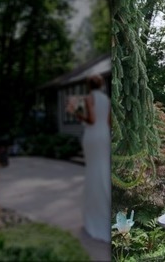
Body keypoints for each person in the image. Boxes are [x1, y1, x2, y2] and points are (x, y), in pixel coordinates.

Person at [76, 74, 111, 243]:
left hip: (92, 136)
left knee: (93, 170)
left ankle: (95, 214)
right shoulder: (107, 99)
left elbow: (91, 119)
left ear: (89, 86)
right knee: (102, 168)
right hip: (104, 135)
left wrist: (77, 113)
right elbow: (109, 121)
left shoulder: (88, 98)